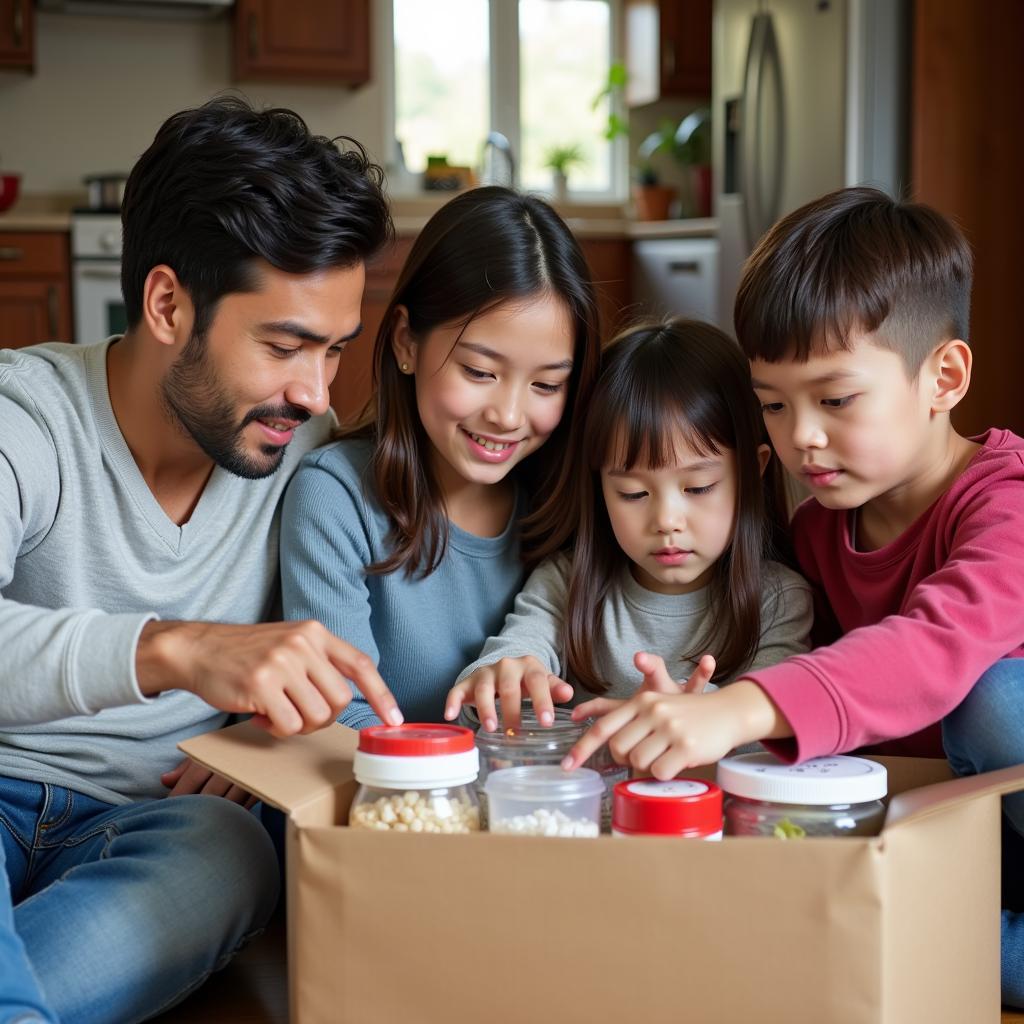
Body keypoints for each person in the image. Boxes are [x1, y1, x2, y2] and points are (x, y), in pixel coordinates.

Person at [563, 188, 1024, 1004]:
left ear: (943, 377)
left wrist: (740, 709)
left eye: (835, 400)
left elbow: (932, 649)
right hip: (955, 852)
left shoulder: (1006, 503)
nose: (799, 434)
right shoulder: (815, 533)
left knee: (993, 699)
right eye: (772, 404)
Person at [0, 96, 403, 1024]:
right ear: (169, 304)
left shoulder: (309, 457)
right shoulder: (27, 420)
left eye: (335, 349)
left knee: (235, 851)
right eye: (284, 345)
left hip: (156, 818)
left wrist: (262, 734)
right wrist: (172, 649)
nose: (315, 391)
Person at [280, 186, 602, 729]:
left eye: (547, 384)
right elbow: (342, 723)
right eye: (479, 372)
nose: (508, 414)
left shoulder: (573, 499)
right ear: (407, 342)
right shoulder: (336, 498)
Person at [445, 318, 812, 732]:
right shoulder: (566, 584)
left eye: (698, 487)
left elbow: (772, 724)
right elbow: (520, 647)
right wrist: (502, 677)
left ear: (752, 471)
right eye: (634, 494)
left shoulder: (780, 600)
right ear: (600, 486)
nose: (666, 521)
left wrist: (694, 715)